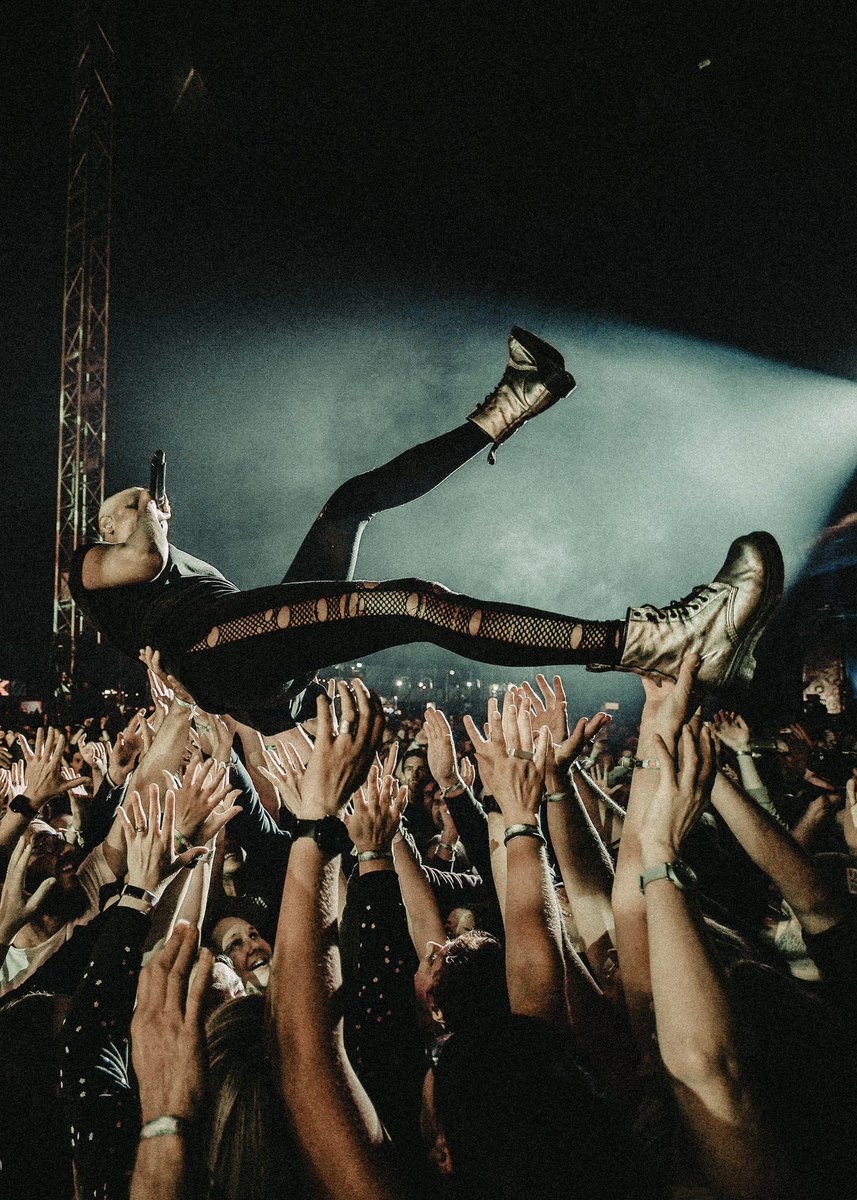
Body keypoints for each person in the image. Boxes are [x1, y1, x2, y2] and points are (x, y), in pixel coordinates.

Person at [70, 328, 784, 734]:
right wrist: (149, 518)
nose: (129, 511)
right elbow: (143, 549)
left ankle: (510, 405)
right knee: (411, 602)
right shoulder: (90, 562)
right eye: (119, 508)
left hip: (243, 656)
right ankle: (649, 643)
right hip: (210, 653)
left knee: (347, 504)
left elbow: (203, 590)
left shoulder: (159, 567)